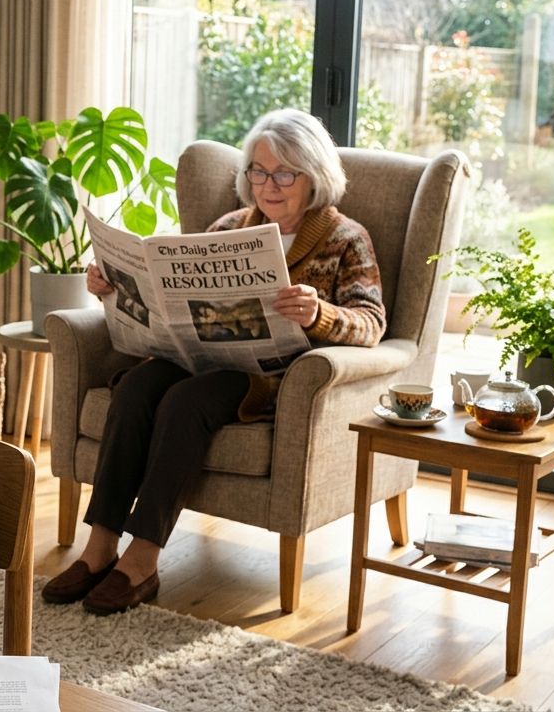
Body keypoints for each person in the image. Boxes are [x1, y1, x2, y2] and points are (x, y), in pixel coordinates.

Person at [43, 108, 386, 615]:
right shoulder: (228, 226)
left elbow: (372, 322)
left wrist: (319, 313)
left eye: (284, 173)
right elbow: (173, 298)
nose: (268, 185)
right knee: (135, 388)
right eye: (258, 171)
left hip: (269, 378)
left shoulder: (345, 239)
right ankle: (98, 548)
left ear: (314, 176)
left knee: (185, 401)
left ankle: (141, 561)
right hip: (198, 356)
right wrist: (113, 291)